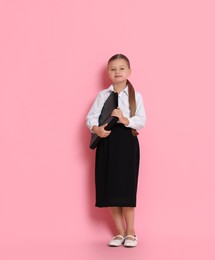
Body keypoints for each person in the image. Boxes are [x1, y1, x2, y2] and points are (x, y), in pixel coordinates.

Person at [86, 54, 146, 247]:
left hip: (127, 143)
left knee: (126, 188)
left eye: (121, 68)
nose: (117, 72)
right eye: (113, 69)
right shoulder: (103, 96)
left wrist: (124, 119)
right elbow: (91, 118)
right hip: (107, 143)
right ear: (108, 73)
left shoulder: (135, 96)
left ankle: (131, 232)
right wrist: (97, 130)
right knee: (111, 188)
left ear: (129, 71)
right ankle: (119, 232)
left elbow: (141, 120)